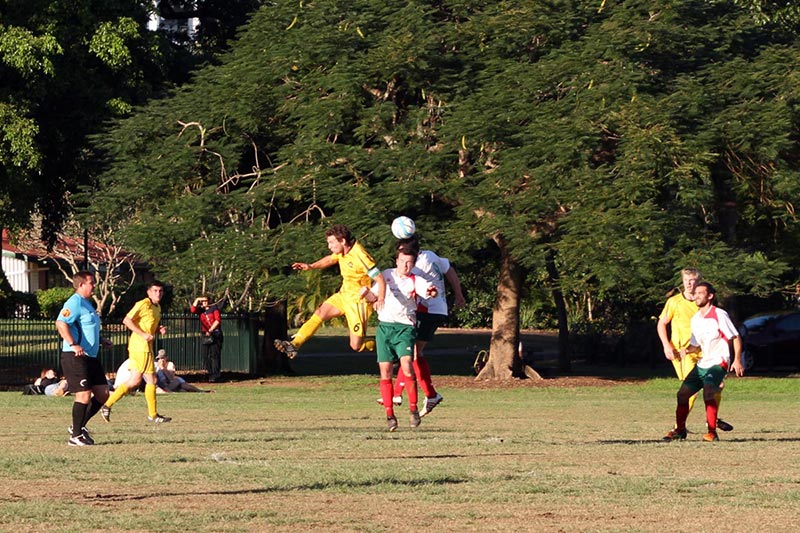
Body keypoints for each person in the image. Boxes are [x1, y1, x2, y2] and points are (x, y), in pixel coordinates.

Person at [382, 235, 466, 417]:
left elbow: (409, 283)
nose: (403, 259)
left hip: (428, 309)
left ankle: (411, 394)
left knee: (412, 353)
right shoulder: (431, 255)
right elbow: (449, 270)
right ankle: (423, 394)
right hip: (437, 309)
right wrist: (458, 294)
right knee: (412, 353)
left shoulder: (416, 266)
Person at [274, 224, 386, 358]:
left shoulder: (360, 255)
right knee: (320, 313)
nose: (329, 246)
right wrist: (310, 266)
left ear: (343, 241)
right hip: (343, 296)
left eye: (332, 242)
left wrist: (380, 299)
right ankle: (294, 344)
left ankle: (386, 347)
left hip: (358, 303)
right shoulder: (342, 252)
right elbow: (330, 259)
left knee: (356, 346)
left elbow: (380, 278)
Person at [663, 281, 744, 442]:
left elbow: (735, 337)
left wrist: (737, 360)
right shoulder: (696, 319)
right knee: (682, 395)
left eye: (701, 293)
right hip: (702, 363)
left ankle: (712, 432)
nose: (696, 295)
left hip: (719, 362)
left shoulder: (719, 314)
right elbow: (695, 345)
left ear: (710, 296)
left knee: (708, 390)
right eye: (696, 293)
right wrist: (686, 350)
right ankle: (680, 430)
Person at [656, 268, 733, 433]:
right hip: (684, 352)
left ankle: (711, 420)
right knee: (691, 391)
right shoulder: (674, 302)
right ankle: (679, 428)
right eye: (686, 281)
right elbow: (662, 323)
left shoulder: (703, 303)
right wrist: (666, 345)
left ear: (699, 283)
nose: (689, 284)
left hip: (706, 351)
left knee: (718, 385)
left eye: (693, 281)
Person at [371, 247, 437, 431]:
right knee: (385, 372)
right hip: (384, 328)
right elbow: (372, 295)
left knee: (407, 366)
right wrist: (365, 295)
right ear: (396, 261)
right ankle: (390, 415)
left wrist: (432, 291)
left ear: (413, 264)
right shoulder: (386, 275)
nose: (405, 266)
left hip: (405, 329)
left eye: (409, 263)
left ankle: (413, 409)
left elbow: (429, 290)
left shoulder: (416, 280)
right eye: (402, 261)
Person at [101, 280, 171, 424]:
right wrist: (143, 334)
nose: (158, 293)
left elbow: (148, 325)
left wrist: (159, 329)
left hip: (146, 347)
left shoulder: (156, 307)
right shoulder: (143, 304)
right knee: (151, 380)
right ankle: (153, 415)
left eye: (160, 291)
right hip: (140, 346)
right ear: (149, 292)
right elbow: (127, 320)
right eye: (155, 291)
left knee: (134, 381)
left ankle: (107, 405)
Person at [55, 270, 112, 446]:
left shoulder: (87, 304)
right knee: (84, 395)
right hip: (76, 356)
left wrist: (101, 340)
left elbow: (86, 328)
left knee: (103, 395)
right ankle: (75, 437)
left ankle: (77, 427)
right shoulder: (74, 302)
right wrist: (73, 344)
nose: (94, 285)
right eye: (91, 283)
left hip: (91, 357)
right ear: (81, 285)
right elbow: (60, 323)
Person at [190, 295, 223, 382]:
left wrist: (211, 330)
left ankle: (216, 375)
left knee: (214, 355)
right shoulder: (200, 311)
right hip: (205, 335)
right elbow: (192, 309)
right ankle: (210, 373)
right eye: (202, 301)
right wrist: (197, 299)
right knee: (205, 355)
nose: (204, 303)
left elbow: (217, 320)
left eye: (205, 301)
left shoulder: (214, 308)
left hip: (215, 334)